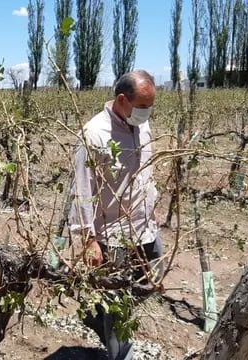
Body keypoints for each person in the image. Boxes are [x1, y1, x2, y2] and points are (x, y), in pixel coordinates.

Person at [68, 70, 164, 359]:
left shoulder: (142, 126)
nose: (147, 112)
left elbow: (144, 169)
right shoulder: (94, 134)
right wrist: (88, 239)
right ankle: (119, 353)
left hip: (145, 226)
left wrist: (152, 203)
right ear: (122, 99)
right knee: (117, 301)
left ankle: (93, 315)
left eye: (150, 106)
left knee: (151, 282)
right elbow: (82, 189)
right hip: (115, 233)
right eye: (143, 106)